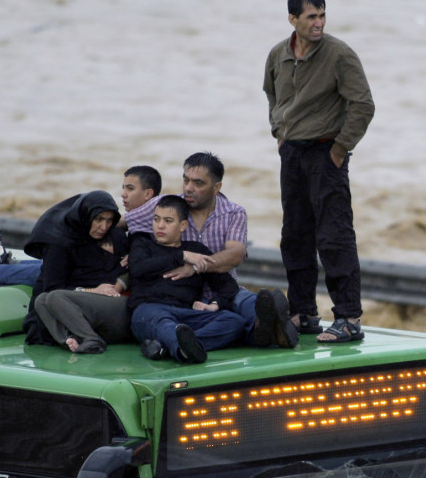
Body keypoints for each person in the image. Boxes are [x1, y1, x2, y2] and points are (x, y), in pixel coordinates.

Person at [263, 0, 375, 343]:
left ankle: (348, 318)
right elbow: (271, 94)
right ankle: (303, 313)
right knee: (294, 235)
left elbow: (363, 104)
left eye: (322, 15)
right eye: (311, 16)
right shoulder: (278, 54)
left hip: (326, 154)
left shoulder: (339, 54)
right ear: (292, 19)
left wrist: (341, 148)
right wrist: (279, 133)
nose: (319, 23)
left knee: (334, 235)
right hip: (292, 155)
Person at [124, 152, 293, 348]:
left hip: (220, 290)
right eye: (186, 180)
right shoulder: (167, 206)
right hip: (180, 295)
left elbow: (235, 255)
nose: (189, 188)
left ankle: (266, 329)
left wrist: (196, 267)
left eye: (198, 183)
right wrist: (116, 249)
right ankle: (259, 334)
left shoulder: (234, 213)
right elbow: (120, 222)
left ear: (216, 187)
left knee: (247, 302)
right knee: (162, 319)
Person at [129, 195, 295, 364]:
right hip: (150, 310)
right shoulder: (143, 244)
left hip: (188, 314)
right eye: (156, 219)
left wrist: (215, 304)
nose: (160, 225)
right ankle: (183, 347)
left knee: (233, 321)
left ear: (183, 225)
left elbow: (228, 285)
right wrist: (182, 256)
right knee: (165, 325)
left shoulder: (197, 250)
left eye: (168, 221)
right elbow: (138, 268)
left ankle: (186, 346)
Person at [0, 165, 162, 285]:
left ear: (148, 194)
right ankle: (8, 264)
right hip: (117, 269)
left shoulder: (156, 216)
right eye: (123, 188)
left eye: (130, 189)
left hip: (122, 279)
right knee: (66, 260)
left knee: (62, 270)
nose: (123, 194)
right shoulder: (144, 216)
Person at [20, 190, 131, 353]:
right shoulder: (60, 243)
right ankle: (69, 339)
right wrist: (92, 290)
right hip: (70, 301)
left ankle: (89, 338)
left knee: (54, 298)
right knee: (42, 301)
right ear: (85, 216)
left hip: (109, 305)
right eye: (99, 219)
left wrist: (118, 284)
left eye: (109, 220)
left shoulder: (115, 236)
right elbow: (52, 287)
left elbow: (135, 268)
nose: (104, 227)